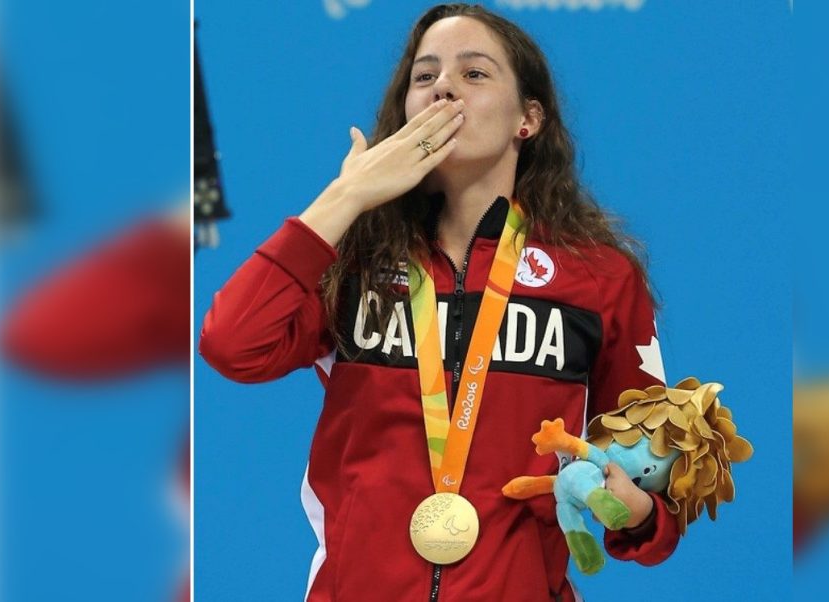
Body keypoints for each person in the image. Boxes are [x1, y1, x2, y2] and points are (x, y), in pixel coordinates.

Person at [200, 4, 677, 601]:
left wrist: (640, 513)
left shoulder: (599, 278)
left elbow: (657, 483)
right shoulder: (352, 259)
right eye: (424, 78)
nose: (443, 87)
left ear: (527, 119)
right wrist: (345, 198)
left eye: (474, 74)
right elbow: (231, 345)